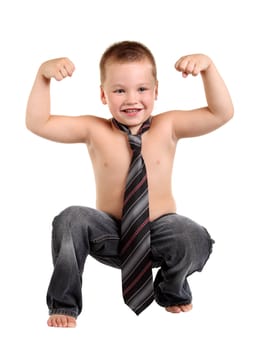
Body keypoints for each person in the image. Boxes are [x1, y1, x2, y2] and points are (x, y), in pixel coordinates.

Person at [26, 40, 233, 328]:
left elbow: (220, 113)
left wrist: (208, 67)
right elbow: (39, 123)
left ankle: (171, 290)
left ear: (157, 91)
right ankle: (64, 303)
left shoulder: (168, 126)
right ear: (103, 95)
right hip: (111, 236)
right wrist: (42, 76)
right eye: (119, 90)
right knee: (70, 218)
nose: (131, 99)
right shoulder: (94, 129)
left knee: (191, 235)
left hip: (159, 235)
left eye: (142, 89)